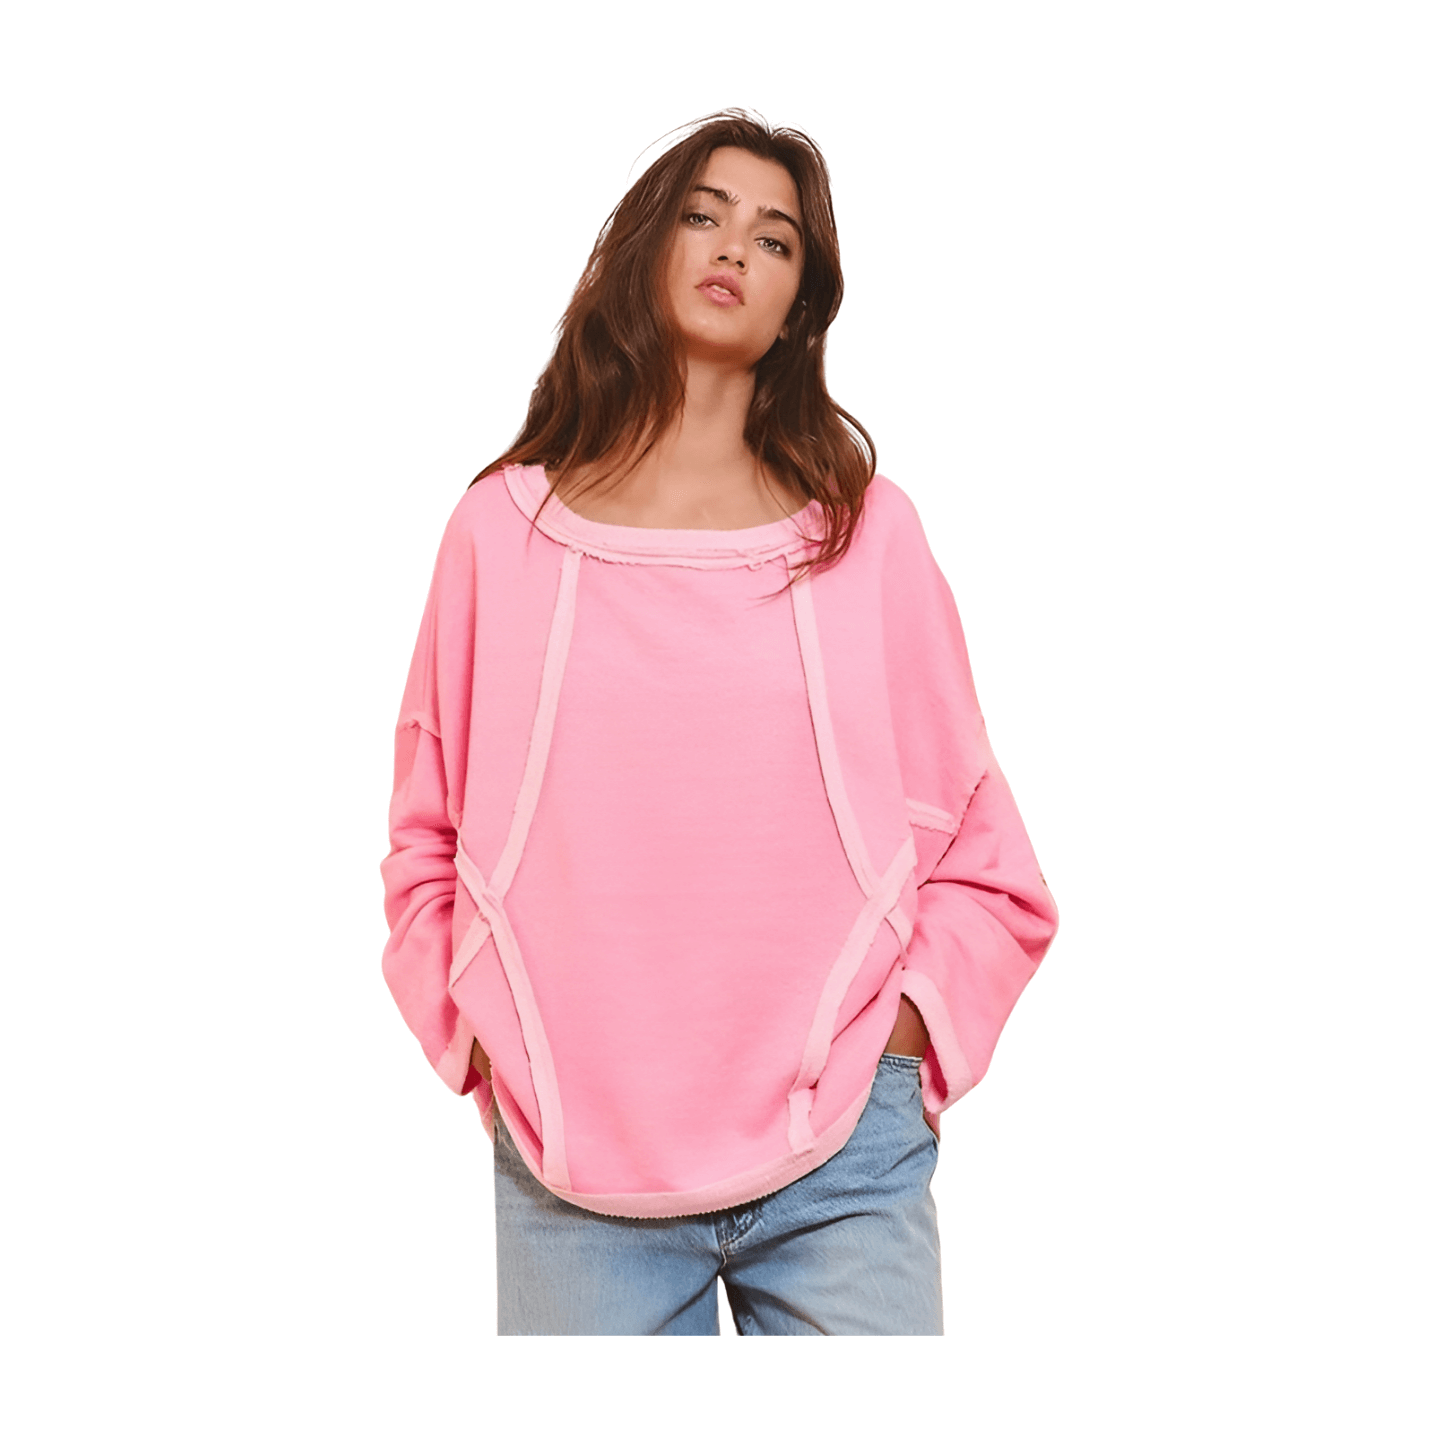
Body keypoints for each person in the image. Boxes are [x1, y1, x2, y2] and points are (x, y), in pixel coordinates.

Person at [379, 109, 1059, 1335]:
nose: (734, 245)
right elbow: (427, 832)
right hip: (574, 1169)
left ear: (800, 306)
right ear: (648, 248)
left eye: (775, 237)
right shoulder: (499, 535)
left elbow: (981, 850)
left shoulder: (867, 537)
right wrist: (482, 1037)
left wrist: (901, 1044)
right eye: (703, 214)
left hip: (845, 1161)